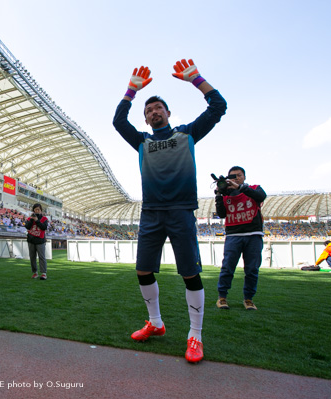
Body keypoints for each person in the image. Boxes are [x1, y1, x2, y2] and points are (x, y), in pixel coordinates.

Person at [112, 59, 227, 363]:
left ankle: (195, 336)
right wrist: (130, 91)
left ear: (168, 113)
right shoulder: (141, 142)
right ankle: (156, 323)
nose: (153, 112)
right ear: (146, 119)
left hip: (180, 212)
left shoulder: (186, 135)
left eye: (158, 107)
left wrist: (196, 79)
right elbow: (118, 122)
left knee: (190, 273)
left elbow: (218, 106)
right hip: (150, 213)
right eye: (148, 110)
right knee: (143, 270)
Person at [215, 166, 267, 311]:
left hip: (253, 235)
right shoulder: (226, 194)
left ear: (244, 177)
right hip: (233, 235)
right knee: (227, 268)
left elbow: (261, 197)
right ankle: (222, 297)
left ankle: (249, 299)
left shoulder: (255, 188)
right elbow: (221, 214)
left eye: (238, 175)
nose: (235, 178)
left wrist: (240, 187)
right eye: (232, 176)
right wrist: (219, 195)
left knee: (252, 270)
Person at [25, 203, 49, 280]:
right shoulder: (29, 218)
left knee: (42, 257)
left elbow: (44, 227)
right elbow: (27, 226)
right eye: (35, 209)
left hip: (40, 240)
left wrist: (37, 221)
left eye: (38, 209)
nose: (37, 211)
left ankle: (43, 273)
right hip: (31, 240)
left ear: (41, 210)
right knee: (32, 257)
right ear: (33, 210)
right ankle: (35, 272)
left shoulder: (44, 219)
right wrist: (32, 220)